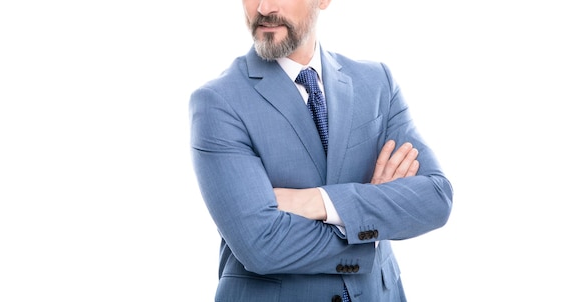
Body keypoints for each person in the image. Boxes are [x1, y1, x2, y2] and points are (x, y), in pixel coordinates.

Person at [188, 0, 453, 301]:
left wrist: (318, 202)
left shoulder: (377, 82)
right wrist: (373, 227)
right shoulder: (218, 102)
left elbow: (436, 197)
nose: (263, 7)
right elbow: (260, 244)